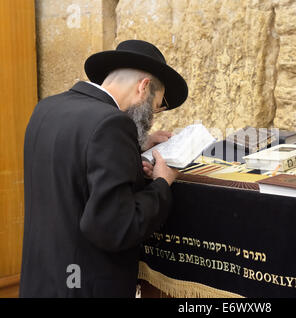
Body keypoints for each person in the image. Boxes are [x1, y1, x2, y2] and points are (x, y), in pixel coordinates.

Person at [19, 40, 188, 297]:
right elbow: (113, 226)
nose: (152, 118)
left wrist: (134, 147)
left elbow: (74, 166)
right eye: (156, 108)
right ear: (143, 87)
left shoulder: (47, 107)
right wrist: (162, 184)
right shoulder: (112, 124)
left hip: (44, 280)